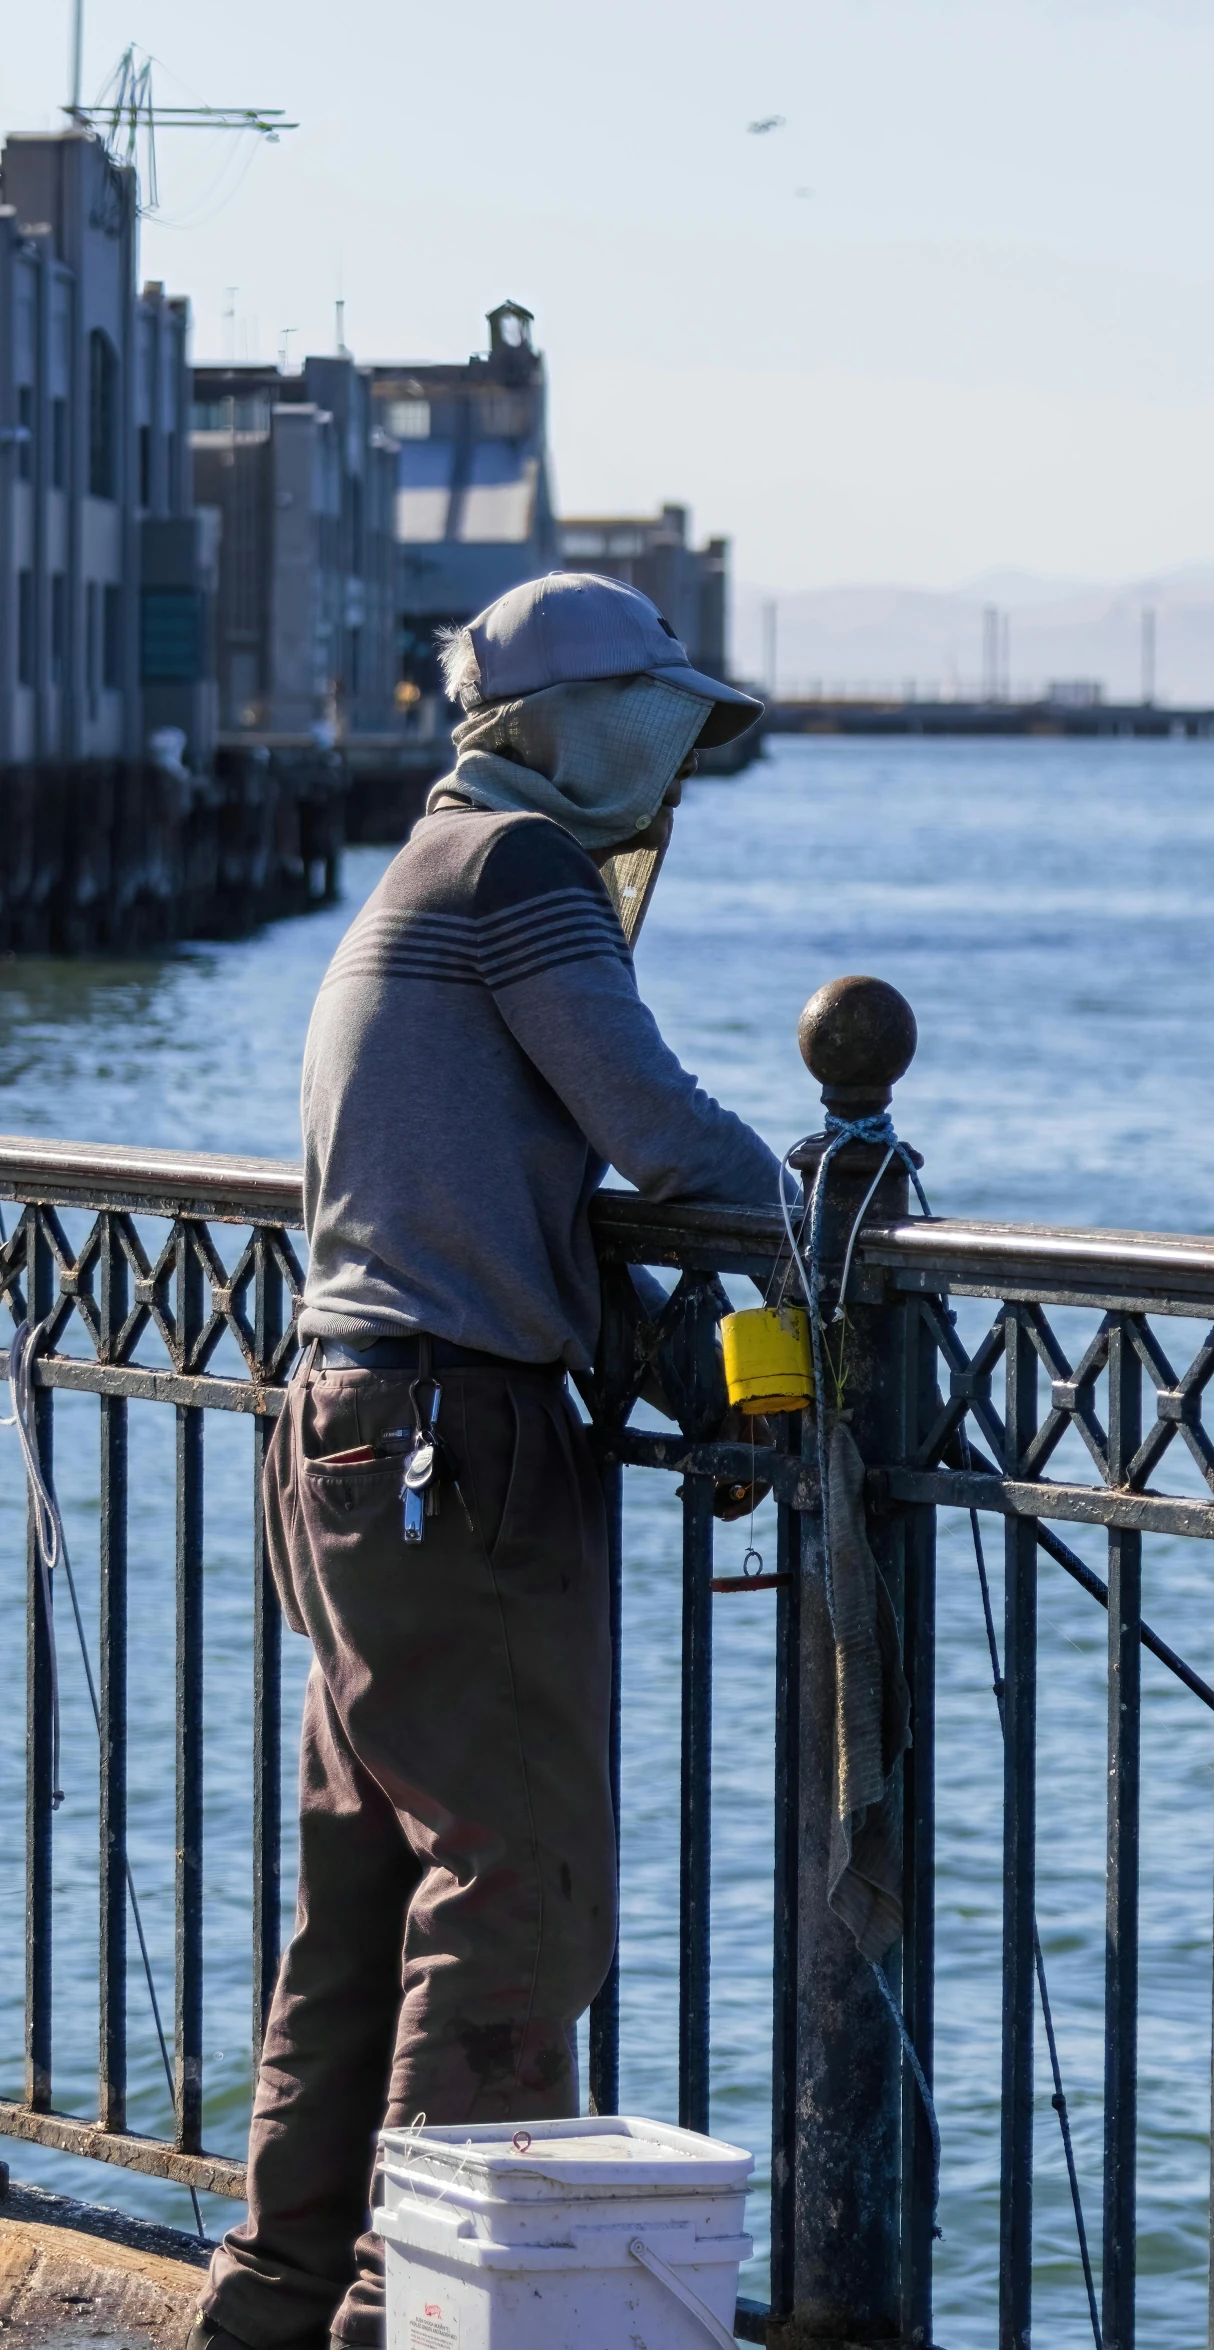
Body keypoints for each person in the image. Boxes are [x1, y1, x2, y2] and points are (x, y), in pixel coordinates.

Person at [192, 571, 786, 2350]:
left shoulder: (418, 871)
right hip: (457, 1435)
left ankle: (280, 2293)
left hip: (342, 1417)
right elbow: (658, 1126)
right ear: (581, 718)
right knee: (517, 1878)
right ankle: (416, 2318)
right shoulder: (523, 873)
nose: (677, 754)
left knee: (365, 1889)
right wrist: (826, 1216)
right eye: (659, 715)